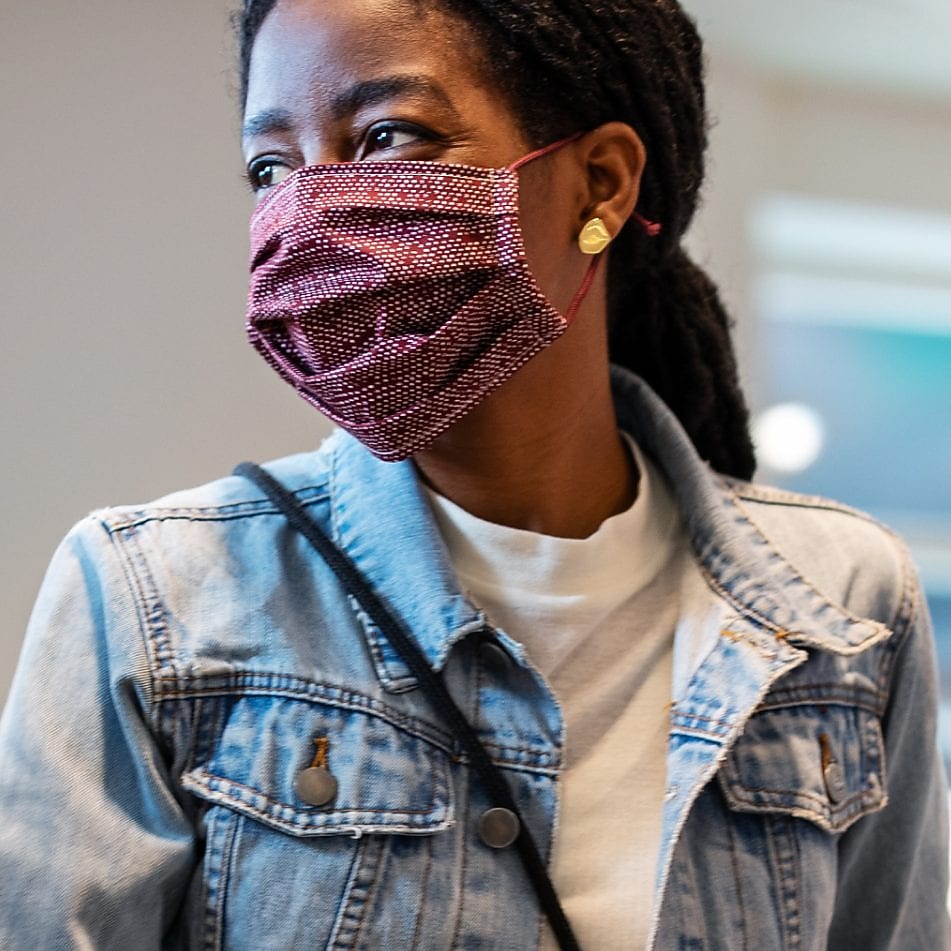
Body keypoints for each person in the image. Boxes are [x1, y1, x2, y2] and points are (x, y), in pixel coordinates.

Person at [1, 0, 948, 947]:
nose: (308, 207)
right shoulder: (149, 598)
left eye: (387, 136)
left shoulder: (845, 604)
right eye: (270, 167)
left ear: (601, 184)